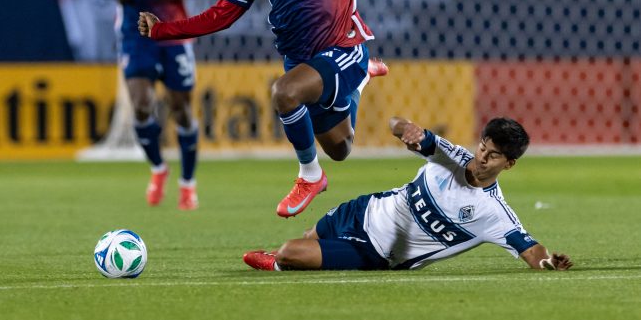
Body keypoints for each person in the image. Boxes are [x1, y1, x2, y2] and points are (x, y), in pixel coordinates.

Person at [138, 0, 413, 217]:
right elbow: (222, 14)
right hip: (302, 60)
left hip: (344, 47)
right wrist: (163, 29)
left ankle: (310, 177)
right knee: (340, 148)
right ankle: (361, 79)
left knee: (284, 93)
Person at [242, 116, 573, 272]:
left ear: (509, 164)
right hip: (363, 209)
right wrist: (406, 129)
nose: (481, 158)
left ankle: (277, 262)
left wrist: (547, 261)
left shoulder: (493, 212)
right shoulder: (450, 154)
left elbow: (528, 248)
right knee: (306, 238)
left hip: (376, 253)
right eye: (482, 147)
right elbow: (394, 123)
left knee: (289, 253)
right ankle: (288, 257)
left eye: (493, 155)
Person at [89, 0, 212, 210]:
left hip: (173, 34)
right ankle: (158, 169)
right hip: (134, 35)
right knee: (141, 106)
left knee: (181, 109)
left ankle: (188, 182)